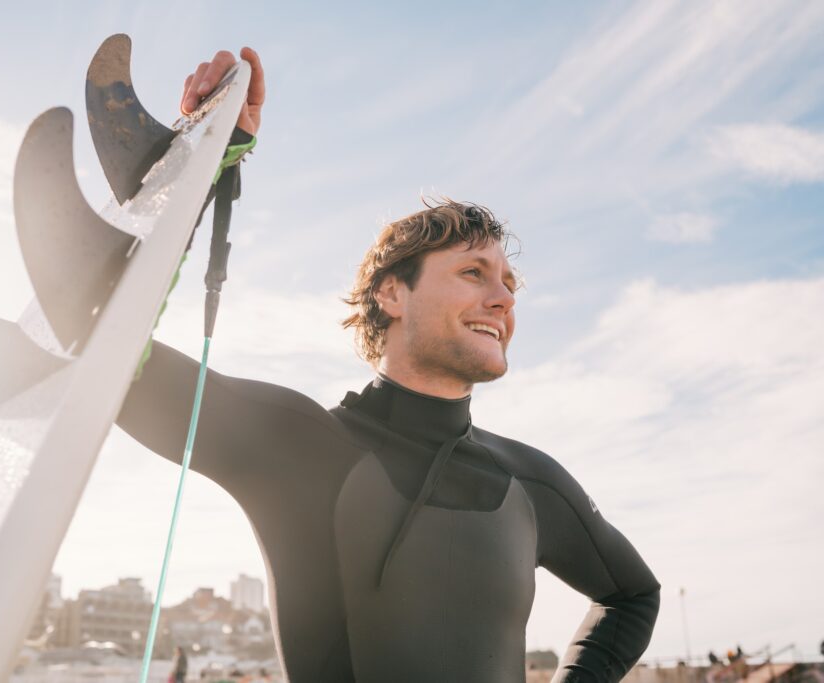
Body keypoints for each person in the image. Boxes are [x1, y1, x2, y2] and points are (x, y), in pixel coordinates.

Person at [117, 48, 660, 682]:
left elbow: (632, 597)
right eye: (472, 272)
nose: (504, 298)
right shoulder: (294, 443)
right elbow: (112, 354)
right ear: (391, 293)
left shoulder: (533, 482)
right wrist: (205, 159)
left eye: (510, 283)